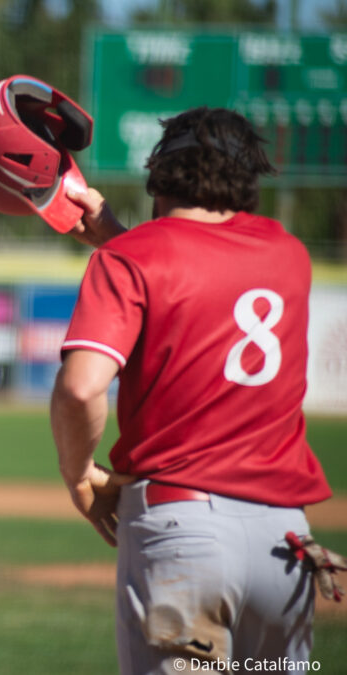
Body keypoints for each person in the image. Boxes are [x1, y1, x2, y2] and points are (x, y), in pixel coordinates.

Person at [49, 106, 335, 674]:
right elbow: (204, 270)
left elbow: (82, 390)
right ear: (249, 176)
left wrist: (80, 476)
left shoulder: (129, 259)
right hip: (286, 543)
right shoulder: (290, 256)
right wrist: (115, 238)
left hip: (181, 534)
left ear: (159, 174)